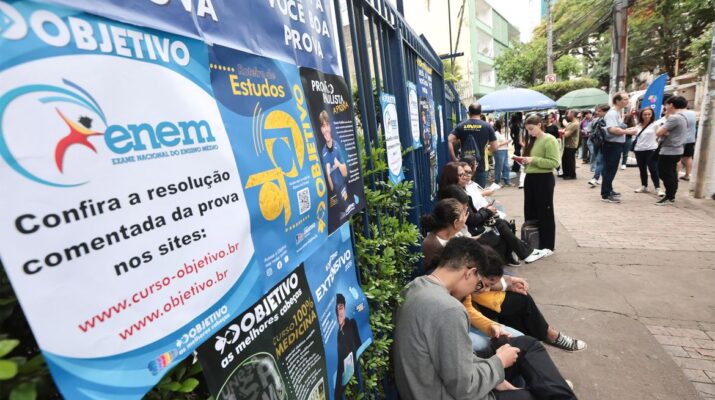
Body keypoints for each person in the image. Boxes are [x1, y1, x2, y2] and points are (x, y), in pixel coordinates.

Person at [394, 237, 577, 400]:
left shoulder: (413, 287)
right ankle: (556, 390)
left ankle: (555, 390)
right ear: (470, 273)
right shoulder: (449, 309)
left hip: (434, 384)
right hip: (447, 393)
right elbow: (464, 388)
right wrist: (498, 363)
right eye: (478, 282)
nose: (477, 289)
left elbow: (453, 361)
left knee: (527, 344)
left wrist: (494, 373)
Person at [519, 114, 560, 251]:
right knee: (530, 211)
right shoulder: (532, 140)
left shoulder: (549, 139)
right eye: (528, 130)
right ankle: (533, 241)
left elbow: (554, 163)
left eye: (531, 129)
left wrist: (533, 160)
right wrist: (524, 160)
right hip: (530, 178)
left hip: (543, 179)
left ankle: (547, 245)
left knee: (545, 212)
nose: (530, 132)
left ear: (539, 125)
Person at [449, 103, 498, 187]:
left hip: (464, 165)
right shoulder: (487, 126)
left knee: (465, 189)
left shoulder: (461, 126)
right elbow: (495, 147)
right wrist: (487, 150)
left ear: (469, 112)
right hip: (481, 164)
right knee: (479, 191)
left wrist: (454, 159)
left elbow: (449, 140)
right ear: (481, 112)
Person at [601, 93, 638, 203]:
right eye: (625, 99)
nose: (627, 101)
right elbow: (612, 129)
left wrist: (627, 130)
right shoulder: (612, 113)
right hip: (612, 145)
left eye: (627, 99)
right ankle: (606, 194)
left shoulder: (616, 112)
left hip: (615, 144)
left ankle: (609, 190)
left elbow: (617, 128)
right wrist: (628, 132)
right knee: (610, 169)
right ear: (617, 101)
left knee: (611, 169)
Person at [320, 110, 355, 218]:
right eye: (323, 126)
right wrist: (328, 176)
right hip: (335, 203)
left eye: (327, 125)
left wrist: (339, 165)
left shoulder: (337, 146)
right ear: (321, 129)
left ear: (330, 127)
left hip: (345, 192)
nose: (326, 129)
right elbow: (330, 188)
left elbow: (345, 173)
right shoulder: (323, 152)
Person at [655, 96, 689, 205]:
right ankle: (671, 195)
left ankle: (669, 196)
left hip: (669, 150)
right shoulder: (683, 117)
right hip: (676, 149)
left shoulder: (674, 118)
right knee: (671, 173)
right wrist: (665, 132)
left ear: (671, 105)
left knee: (665, 173)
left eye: (666, 104)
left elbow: (658, 132)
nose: (665, 107)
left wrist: (663, 131)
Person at [335, 293, 362, 400]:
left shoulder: (351, 324)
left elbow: (358, 345)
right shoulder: (333, 336)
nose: (339, 312)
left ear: (345, 308)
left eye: (341, 308)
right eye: (336, 309)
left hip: (351, 373)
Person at [632, 107, 663, 195]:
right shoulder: (638, 125)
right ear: (641, 115)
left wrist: (657, 143)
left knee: (653, 169)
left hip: (651, 149)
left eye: (649, 114)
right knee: (642, 169)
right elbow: (634, 136)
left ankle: (658, 188)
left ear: (652, 115)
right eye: (645, 114)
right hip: (639, 149)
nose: (647, 116)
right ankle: (644, 186)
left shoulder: (655, 125)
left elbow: (660, 135)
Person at [588, 105, 610, 187]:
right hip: (597, 142)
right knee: (600, 161)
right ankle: (599, 178)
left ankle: (595, 178)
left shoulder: (607, 119)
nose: (597, 112)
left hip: (603, 143)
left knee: (600, 161)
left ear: (605, 111)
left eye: (599, 111)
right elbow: (591, 130)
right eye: (597, 111)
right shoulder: (597, 120)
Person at [679, 107, 697, 181]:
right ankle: (687, 175)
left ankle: (676, 175)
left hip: (681, 138)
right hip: (691, 139)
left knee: (678, 158)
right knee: (688, 157)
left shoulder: (680, 114)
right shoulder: (693, 113)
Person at [560, 110, 579, 180]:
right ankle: (566, 173)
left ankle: (571, 175)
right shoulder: (571, 123)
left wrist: (560, 133)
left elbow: (566, 134)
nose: (567, 115)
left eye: (568, 114)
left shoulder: (575, 124)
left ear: (572, 114)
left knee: (569, 160)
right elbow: (564, 130)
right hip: (567, 144)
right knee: (565, 159)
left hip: (571, 145)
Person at [494, 119, 512, 186]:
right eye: (503, 123)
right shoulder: (496, 133)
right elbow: (496, 144)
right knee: (499, 166)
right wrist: (505, 142)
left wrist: (507, 141)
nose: (504, 124)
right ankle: (497, 181)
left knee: (506, 166)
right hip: (499, 150)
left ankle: (507, 180)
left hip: (505, 150)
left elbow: (509, 139)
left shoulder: (505, 132)